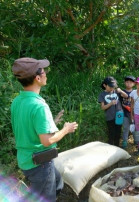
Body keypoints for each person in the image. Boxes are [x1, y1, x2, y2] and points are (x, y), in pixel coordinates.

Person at [11, 57, 78, 201]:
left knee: (58, 182)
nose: (46, 73)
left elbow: (28, 127)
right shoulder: (39, 106)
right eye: (43, 71)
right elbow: (47, 141)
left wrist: (52, 123)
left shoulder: (17, 101)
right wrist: (66, 129)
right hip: (39, 164)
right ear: (37, 78)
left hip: (25, 159)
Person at [98, 76, 128, 147]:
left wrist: (120, 91)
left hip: (119, 115)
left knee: (118, 133)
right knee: (111, 134)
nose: (112, 88)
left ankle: (117, 148)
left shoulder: (116, 92)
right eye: (110, 86)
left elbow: (126, 96)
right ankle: (110, 148)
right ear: (105, 85)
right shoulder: (102, 94)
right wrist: (111, 103)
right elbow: (103, 107)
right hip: (110, 117)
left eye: (113, 87)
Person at [120, 75, 136, 149]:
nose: (128, 83)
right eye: (127, 82)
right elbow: (119, 102)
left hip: (134, 114)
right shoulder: (121, 92)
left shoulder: (135, 92)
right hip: (125, 113)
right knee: (126, 128)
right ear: (124, 83)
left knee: (135, 128)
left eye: (130, 82)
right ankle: (124, 142)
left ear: (134, 84)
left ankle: (136, 140)